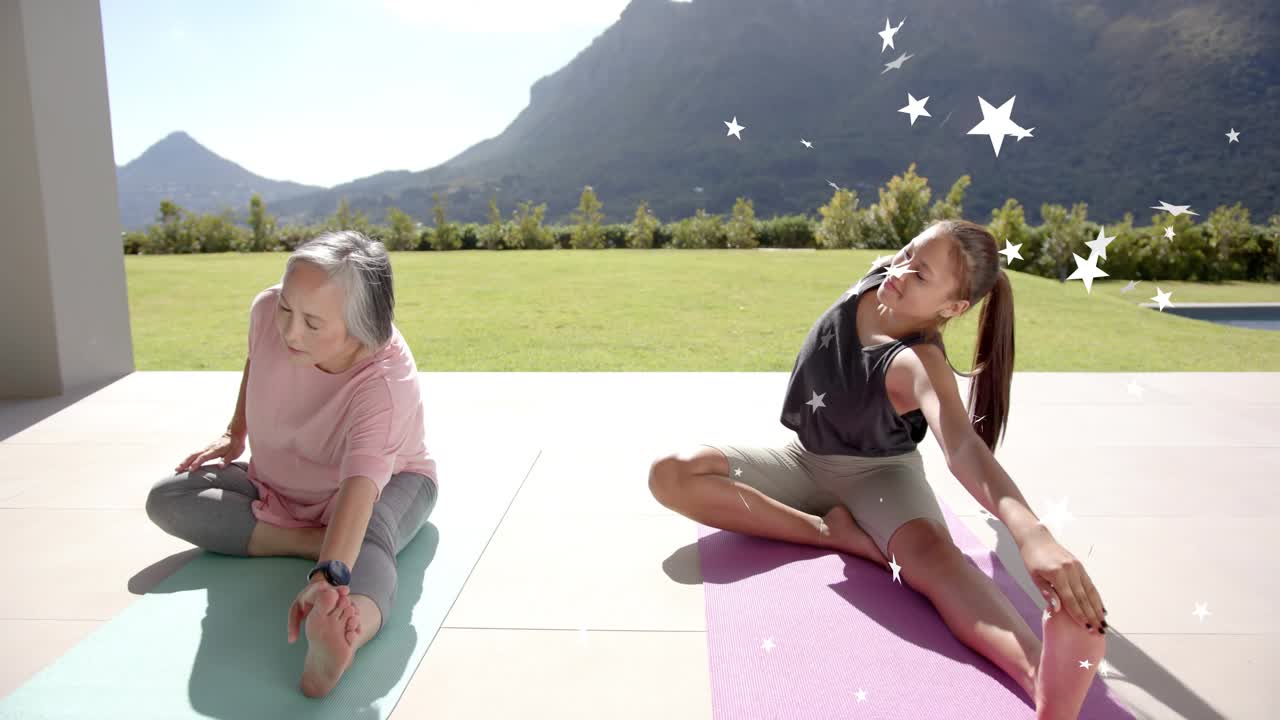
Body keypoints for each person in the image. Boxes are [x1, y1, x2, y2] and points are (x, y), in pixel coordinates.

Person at [648, 219, 1107, 718]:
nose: (902, 270)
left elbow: (963, 449)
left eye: (922, 275)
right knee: (671, 474)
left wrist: (1032, 535)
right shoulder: (883, 275)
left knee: (937, 563)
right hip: (803, 461)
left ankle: (1043, 678)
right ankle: (830, 534)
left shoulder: (918, 363)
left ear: (951, 309)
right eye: (908, 252)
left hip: (881, 478)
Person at [145, 230, 438, 698]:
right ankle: (316, 542)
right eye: (287, 309)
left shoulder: (385, 382)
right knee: (169, 497)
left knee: (368, 535)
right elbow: (256, 358)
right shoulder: (267, 312)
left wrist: (328, 576)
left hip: (388, 486)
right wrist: (234, 429)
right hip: (278, 488)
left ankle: (345, 635)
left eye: (312, 323)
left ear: (359, 325)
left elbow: (360, 487)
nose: (289, 331)